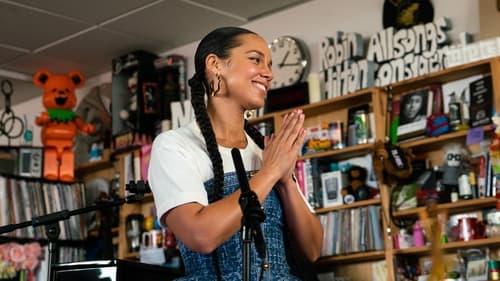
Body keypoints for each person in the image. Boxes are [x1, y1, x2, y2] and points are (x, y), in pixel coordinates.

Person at [148, 26, 323, 280]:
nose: (269, 73)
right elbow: (201, 236)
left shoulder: (266, 151)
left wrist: (285, 181)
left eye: (270, 64)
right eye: (255, 59)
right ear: (215, 64)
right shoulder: (174, 146)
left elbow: (313, 249)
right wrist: (270, 172)